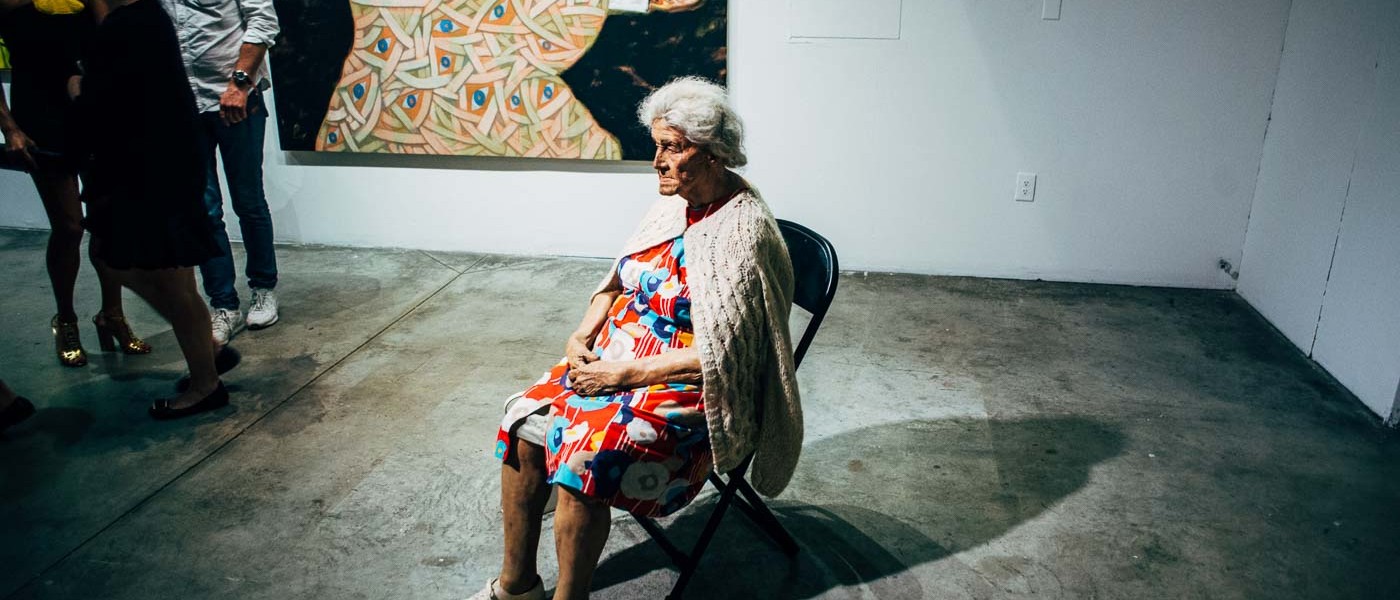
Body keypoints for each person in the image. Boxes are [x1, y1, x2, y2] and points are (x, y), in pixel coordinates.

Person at [476, 77, 802, 600]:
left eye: (671, 147)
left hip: (690, 388)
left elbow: (726, 355)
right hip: (616, 358)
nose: (657, 161)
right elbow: (617, 282)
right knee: (521, 422)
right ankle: (517, 586)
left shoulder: (744, 231)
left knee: (584, 457)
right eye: (657, 145)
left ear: (713, 153)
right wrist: (582, 333)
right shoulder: (673, 203)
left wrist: (622, 374)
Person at [73, 0, 238, 419]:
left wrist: (77, 88)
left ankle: (206, 383)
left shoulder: (130, 23)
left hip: (148, 172)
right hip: (165, 165)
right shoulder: (148, 16)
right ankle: (207, 355)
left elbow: (110, 101)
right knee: (171, 280)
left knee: (150, 275)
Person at [0, 0, 151, 368]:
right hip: (38, 114)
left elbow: (109, 39)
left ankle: (111, 314)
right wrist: (9, 127)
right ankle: (65, 319)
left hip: (90, 107)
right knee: (69, 227)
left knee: (107, 219)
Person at [160, 0, 281, 345]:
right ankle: (223, 304)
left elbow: (263, 20)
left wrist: (240, 83)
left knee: (249, 201)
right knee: (204, 210)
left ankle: (263, 288)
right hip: (183, 104)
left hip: (235, 97)